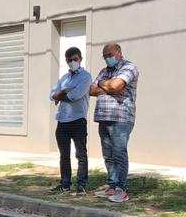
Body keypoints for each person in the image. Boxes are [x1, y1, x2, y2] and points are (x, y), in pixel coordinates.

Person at [90, 42, 139, 203]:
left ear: (119, 52)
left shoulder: (129, 67)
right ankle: (111, 186)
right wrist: (109, 86)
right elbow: (91, 90)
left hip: (121, 118)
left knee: (119, 153)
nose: (107, 59)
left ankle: (121, 189)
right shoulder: (104, 71)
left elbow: (117, 86)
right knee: (108, 155)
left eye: (110, 55)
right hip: (103, 117)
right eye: (105, 57)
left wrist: (104, 84)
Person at [49, 46, 93, 194]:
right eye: (70, 60)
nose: (73, 62)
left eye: (75, 59)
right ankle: (65, 183)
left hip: (78, 120)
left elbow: (75, 95)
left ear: (80, 59)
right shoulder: (64, 78)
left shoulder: (86, 76)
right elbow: (51, 94)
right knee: (64, 155)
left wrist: (62, 93)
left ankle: (81, 185)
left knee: (81, 154)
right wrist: (62, 92)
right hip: (62, 121)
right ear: (66, 61)